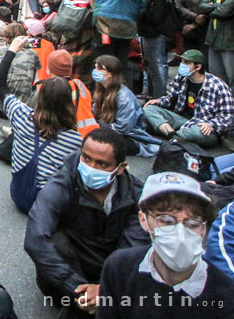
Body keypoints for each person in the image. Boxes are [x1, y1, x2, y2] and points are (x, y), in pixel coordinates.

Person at [24, 128, 150, 318]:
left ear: (121, 167)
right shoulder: (65, 180)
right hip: (67, 273)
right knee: (57, 243)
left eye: (102, 164)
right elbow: (35, 237)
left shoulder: (136, 195)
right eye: (86, 158)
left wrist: (104, 289)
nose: (91, 167)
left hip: (108, 270)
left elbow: (131, 251)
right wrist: (77, 287)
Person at [98, 172, 234, 318]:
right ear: (143, 220)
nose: (180, 234)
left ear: (204, 229)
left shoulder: (224, 292)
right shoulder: (120, 267)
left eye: (192, 223)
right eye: (167, 221)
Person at [0, 36, 83, 211]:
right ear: (68, 103)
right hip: (47, 204)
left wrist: (11, 50)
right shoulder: (75, 140)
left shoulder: (21, 116)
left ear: (40, 98)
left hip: (19, 194)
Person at [144, 49, 233, 147]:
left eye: (186, 63)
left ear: (198, 67)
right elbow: (171, 98)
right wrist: (159, 101)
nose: (182, 65)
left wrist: (211, 125)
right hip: (183, 120)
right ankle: (174, 137)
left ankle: (168, 132)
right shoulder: (181, 78)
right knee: (149, 109)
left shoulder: (218, 86)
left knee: (194, 132)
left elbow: (227, 118)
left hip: (202, 127)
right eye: (181, 61)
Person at [92, 55, 162, 157]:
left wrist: (100, 127)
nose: (95, 71)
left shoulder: (124, 96)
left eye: (99, 68)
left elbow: (123, 128)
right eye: (95, 67)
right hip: (109, 131)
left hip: (129, 137)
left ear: (110, 73)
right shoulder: (101, 90)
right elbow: (94, 112)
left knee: (97, 144)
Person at [137, 0, 178, 99]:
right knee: (150, 67)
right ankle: (151, 94)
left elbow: (156, 17)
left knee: (156, 67)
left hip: (155, 35)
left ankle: (159, 98)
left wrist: (141, 9)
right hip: (147, 34)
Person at [198, 0, 234, 88]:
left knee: (231, 77)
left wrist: (212, 7)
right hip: (213, 39)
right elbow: (201, 6)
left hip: (229, 42)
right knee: (217, 78)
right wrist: (217, 7)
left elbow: (224, 11)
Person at [0, 22, 41, 108]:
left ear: (7, 38)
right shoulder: (33, 54)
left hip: (2, 106)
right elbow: (33, 79)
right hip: (25, 106)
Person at [24, 18, 55, 82]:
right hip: (48, 80)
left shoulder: (28, 44)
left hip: (34, 82)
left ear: (29, 34)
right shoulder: (50, 45)